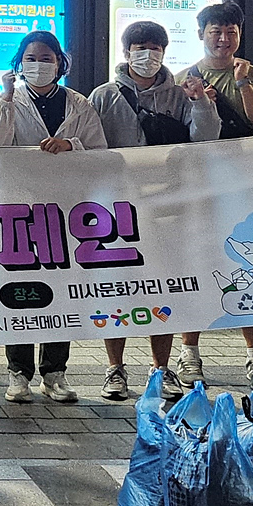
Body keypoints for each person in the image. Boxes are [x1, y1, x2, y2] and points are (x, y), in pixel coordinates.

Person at [92, 20, 222, 400]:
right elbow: (89, 146)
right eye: (139, 47)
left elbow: (205, 139)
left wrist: (201, 103)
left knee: (161, 285)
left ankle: (161, 368)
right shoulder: (103, 96)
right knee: (115, 288)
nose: (146, 54)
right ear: (126, 50)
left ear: (164, 52)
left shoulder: (181, 94)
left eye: (154, 47)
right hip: (117, 207)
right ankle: (114, 368)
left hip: (168, 205)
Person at [0, 30, 108, 404]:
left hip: (66, 211)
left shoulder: (79, 104)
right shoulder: (9, 100)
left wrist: (72, 145)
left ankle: (55, 372)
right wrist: (4, 98)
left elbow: (99, 152)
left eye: (46, 58)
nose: (38, 65)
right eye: (31, 58)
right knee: (19, 290)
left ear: (60, 63)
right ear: (20, 63)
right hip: (18, 210)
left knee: (61, 290)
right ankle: (18, 371)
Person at [175, 0, 253, 388]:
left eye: (230, 32)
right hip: (198, 187)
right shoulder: (182, 78)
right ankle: (190, 353)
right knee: (194, 265)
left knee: (251, 265)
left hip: (247, 183)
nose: (222, 38)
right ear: (201, 34)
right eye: (215, 31)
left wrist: (246, 82)